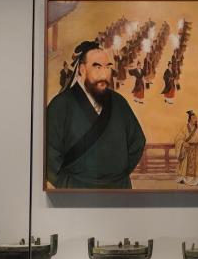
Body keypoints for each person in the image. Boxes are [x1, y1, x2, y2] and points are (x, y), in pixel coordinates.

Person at [46, 40, 146, 189]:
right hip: (78, 192)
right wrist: (68, 185)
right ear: (82, 69)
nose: (104, 74)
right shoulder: (60, 105)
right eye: (97, 67)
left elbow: (137, 141)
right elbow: (48, 154)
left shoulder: (118, 102)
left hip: (118, 189)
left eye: (107, 67)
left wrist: (119, 175)